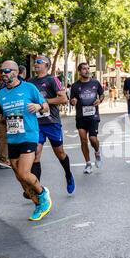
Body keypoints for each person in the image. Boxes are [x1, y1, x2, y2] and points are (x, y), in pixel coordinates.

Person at [0, 60, 53, 222]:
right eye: (1, 71)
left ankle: (43, 193)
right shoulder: (1, 93)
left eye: (6, 71)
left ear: (15, 71)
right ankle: (38, 204)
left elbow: (46, 105)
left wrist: (38, 107)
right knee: (19, 177)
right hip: (13, 137)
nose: (3, 74)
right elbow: (3, 117)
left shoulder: (29, 88)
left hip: (29, 135)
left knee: (24, 173)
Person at [28, 55, 75, 195]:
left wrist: (44, 103)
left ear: (47, 65)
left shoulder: (52, 80)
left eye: (39, 62)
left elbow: (63, 98)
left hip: (52, 122)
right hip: (36, 124)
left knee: (60, 153)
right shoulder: (30, 82)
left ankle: (68, 174)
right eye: (35, 62)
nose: (36, 64)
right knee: (36, 155)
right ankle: (37, 188)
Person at [70, 63, 105, 174]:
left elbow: (102, 94)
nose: (87, 70)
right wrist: (73, 101)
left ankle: (97, 152)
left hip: (93, 116)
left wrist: (100, 100)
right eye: (84, 69)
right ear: (79, 71)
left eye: (88, 68)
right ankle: (88, 163)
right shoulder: (75, 86)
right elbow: (72, 100)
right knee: (83, 139)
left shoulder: (95, 83)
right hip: (81, 116)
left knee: (93, 139)